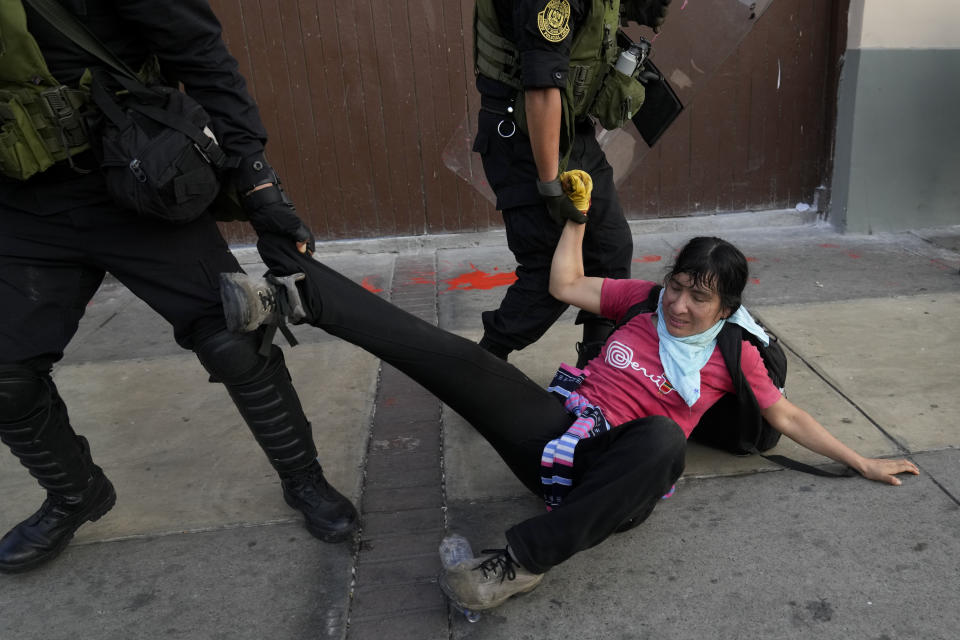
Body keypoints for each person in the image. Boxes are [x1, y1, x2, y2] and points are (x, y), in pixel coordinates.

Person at [217, 170, 919, 613]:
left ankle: (513, 565)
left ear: (727, 305)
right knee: (462, 361)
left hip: (620, 477)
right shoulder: (641, 299)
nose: (678, 306)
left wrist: (862, 460)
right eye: (677, 286)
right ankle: (299, 302)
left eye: (698, 298)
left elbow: (784, 415)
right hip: (559, 433)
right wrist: (577, 221)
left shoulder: (736, 350)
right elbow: (563, 286)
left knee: (664, 439)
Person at [0, 0, 357, 574]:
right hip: (23, 202)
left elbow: (202, 55)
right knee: (5, 378)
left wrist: (258, 180)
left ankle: (303, 478)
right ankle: (75, 494)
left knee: (233, 336)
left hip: (131, 177)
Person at [471, 0, 671, 366]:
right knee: (551, 265)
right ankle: (482, 365)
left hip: (571, 128)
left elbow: (588, 25)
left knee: (609, 248)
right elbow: (542, 89)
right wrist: (549, 185)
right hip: (526, 134)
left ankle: (598, 365)